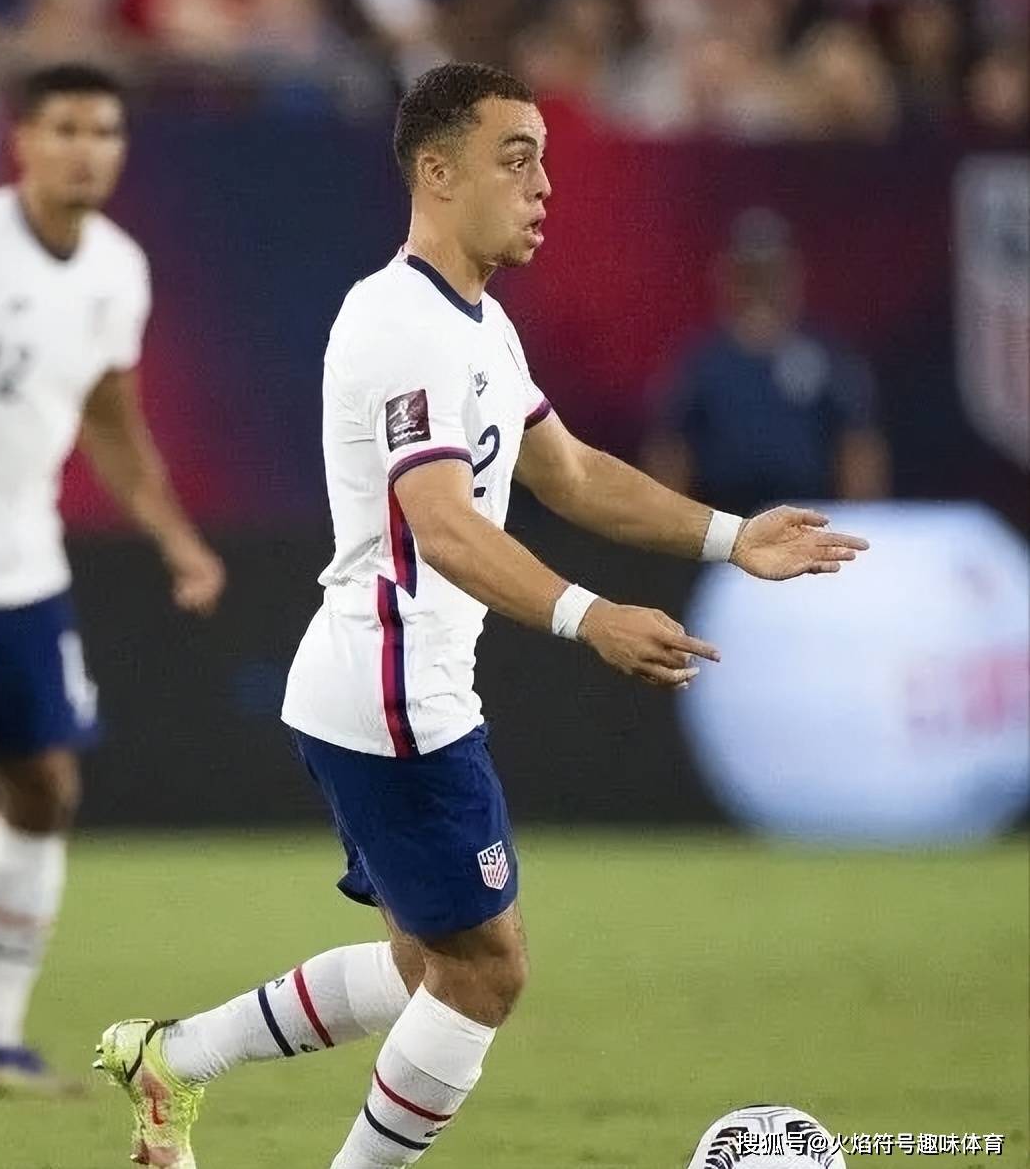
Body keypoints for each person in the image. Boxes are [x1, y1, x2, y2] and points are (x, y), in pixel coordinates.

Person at [95, 63, 866, 1169]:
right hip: (394, 691)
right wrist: (590, 614)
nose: (544, 185)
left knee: (431, 966)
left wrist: (730, 537)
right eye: (517, 159)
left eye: (544, 160)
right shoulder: (399, 322)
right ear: (437, 170)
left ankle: (171, 1057)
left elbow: (572, 472)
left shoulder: (482, 325)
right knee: (486, 973)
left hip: (389, 681)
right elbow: (445, 526)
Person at [0, 63, 225, 1094]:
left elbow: (112, 420)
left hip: (27, 566)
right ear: (23, 140)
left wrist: (175, 537)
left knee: (44, 787)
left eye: (105, 130)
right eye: (67, 128)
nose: (87, 149)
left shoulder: (119, 269)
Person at [643, 206, 891, 517]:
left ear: (793, 277)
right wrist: (677, 528)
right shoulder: (701, 364)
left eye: (771, 276)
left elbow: (859, 450)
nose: (761, 291)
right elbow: (669, 455)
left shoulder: (830, 360)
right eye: (750, 277)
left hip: (810, 522)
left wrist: (859, 523)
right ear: (728, 279)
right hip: (727, 524)